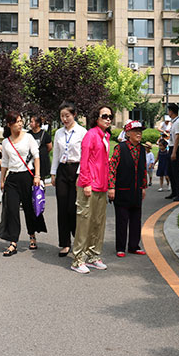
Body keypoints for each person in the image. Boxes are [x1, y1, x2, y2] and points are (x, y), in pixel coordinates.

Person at [70, 105, 113, 274]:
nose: (108, 119)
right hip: (89, 185)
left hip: (101, 185)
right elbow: (85, 160)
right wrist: (86, 182)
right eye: (104, 116)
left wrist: (108, 184)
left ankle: (93, 256)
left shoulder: (105, 136)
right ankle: (78, 259)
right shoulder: (91, 135)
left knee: (98, 222)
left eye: (110, 116)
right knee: (84, 222)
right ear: (97, 118)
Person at [0, 112, 46, 257]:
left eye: (21, 121)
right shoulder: (6, 142)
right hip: (12, 179)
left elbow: (36, 156)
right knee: (12, 210)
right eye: (17, 122)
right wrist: (2, 179)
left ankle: (32, 235)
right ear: (9, 125)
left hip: (27, 177)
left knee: (28, 208)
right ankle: (13, 242)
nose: (20, 124)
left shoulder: (28, 137)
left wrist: (37, 176)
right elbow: (5, 162)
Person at [50, 101, 87, 257]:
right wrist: (53, 173)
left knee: (73, 208)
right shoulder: (59, 133)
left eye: (67, 116)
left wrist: (80, 174)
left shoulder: (82, 132)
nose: (64, 119)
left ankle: (78, 240)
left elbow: (85, 155)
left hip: (77, 170)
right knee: (62, 208)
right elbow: (56, 154)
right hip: (62, 170)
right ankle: (65, 243)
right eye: (62, 116)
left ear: (74, 115)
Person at [109, 120, 149, 257]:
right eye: (135, 131)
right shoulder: (120, 148)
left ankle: (134, 246)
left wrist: (143, 187)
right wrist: (111, 187)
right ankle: (120, 247)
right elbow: (112, 168)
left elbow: (143, 169)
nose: (139, 134)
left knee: (136, 219)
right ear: (128, 133)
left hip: (137, 190)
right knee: (122, 220)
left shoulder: (142, 149)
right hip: (122, 190)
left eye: (140, 131)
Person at [166, 104, 179, 201]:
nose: (168, 113)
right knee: (170, 171)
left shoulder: (178, 122)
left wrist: (174, 152)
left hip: (176, 148)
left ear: (171, 111)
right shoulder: (174, 122)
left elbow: (177, 137)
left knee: (176, 172)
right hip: (172, 147)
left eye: (168, 111)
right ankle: (174, 192)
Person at [29, 114, 52, 180]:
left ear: (38, 123)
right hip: (31, 160)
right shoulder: (28, 134)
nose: (30, 124)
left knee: (41, 180)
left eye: (32, 122)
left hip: (42, 161)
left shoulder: (45, 134)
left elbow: (49, 147)